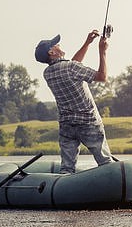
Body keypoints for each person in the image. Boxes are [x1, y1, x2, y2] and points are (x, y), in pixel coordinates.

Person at [35, 30, 115, 174]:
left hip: (67, 126)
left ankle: (63, 191)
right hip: (88, 123)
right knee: (106, 163)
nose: (58, 44)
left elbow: (72, 64)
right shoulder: (71, 68)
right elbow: (102, 77)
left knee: (67, 168)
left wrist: (87, 43)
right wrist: (102, 51)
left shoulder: (48, 73)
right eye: (55, 45)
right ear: (51, 52)